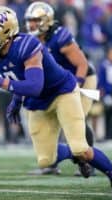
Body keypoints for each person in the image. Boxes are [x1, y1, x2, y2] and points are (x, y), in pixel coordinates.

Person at [0, 6, 112, 198]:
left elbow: (35, 85)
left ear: (7, 31)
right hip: (38, 102)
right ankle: (75, 156)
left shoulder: (27, 45)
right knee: (45, 161)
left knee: (81, 147)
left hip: (61, 92)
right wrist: (17, 100)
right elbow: (19, 76)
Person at [24, 1, 97, 176]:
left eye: (36, 20)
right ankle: (51, 163)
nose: (32, 24)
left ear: (47, 20)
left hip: (82, 78)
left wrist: (76, 87)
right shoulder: (30, 40)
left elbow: (82, 64)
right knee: (49, 123)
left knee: (75, 120)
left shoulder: (60, 37)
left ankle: (88, 163)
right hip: (57, 84)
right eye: (29, 20)